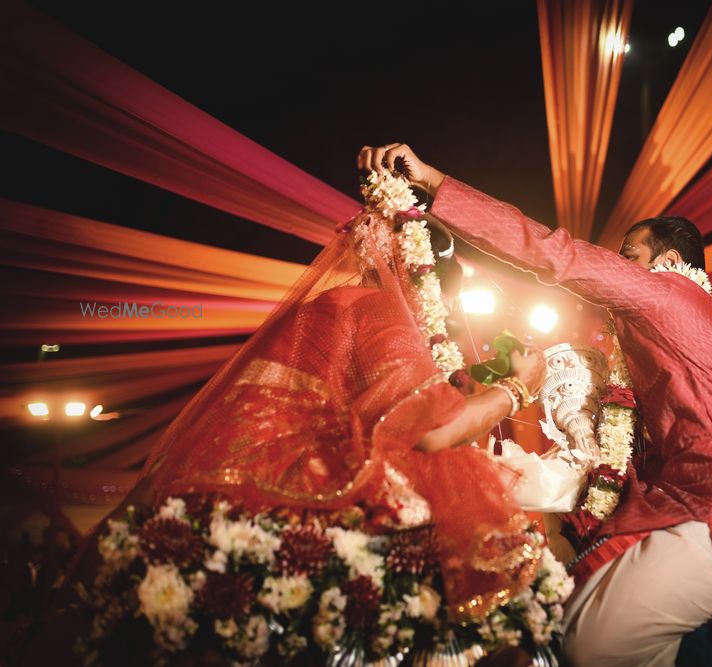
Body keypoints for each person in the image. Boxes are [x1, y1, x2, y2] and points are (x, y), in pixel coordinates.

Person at [20, 181, 548, 664]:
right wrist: (521, 385)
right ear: (425, 275)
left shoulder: (326, 305)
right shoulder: (383, 312)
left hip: (248, 503)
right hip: (330, 507)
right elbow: (430, 432)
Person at [357, 144, 712, 665]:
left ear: (667, 263)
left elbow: (558, 253)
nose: (619, 266)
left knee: (590, 644)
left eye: (629, 256)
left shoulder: (665, 294)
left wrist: (437, 183)